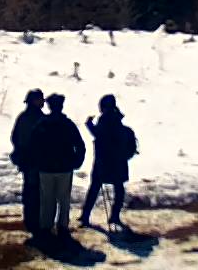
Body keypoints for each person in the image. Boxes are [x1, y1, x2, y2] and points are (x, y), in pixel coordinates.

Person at [30, 93, 86, 242]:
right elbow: (80, 145)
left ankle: (46, 227)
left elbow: (33, 145)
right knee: (64, 199)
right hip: (64, 168)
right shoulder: (68, 124)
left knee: (47, 199)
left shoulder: (42, 124)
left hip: (46, 169)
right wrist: (76, 161)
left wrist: (37, 161)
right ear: (61, 106)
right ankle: (62, 227)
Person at [80, 94, 137, 228]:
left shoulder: (104, 120)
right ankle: (115, 216)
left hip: (103, 161)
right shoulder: (117, 119)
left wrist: (89, 125)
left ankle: (85, 215)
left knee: (94, 188)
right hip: (119, 162)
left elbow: (99, 135)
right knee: (119, 189)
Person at [10, 89, 46, 233]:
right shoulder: (39, 118)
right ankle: (35, 221)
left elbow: (14, 137)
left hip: (26, 160)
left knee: (30, 189)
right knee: (36, 191)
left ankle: (30, 220)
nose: (42, 102)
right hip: (35, 160)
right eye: (40, 99)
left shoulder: (22, 117)